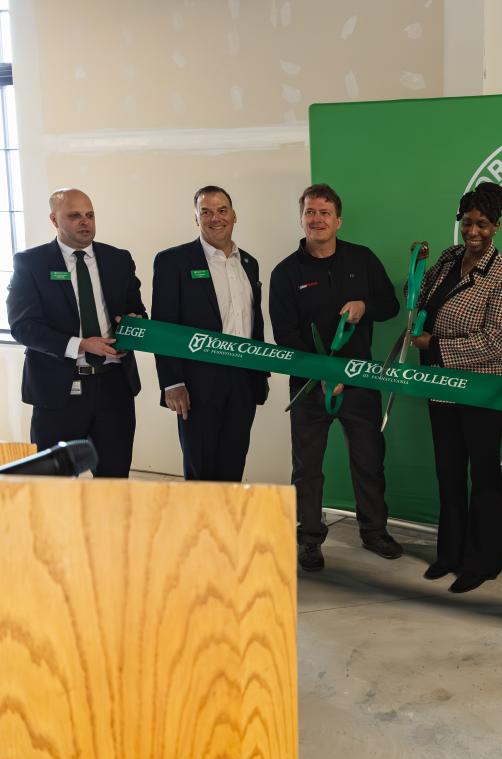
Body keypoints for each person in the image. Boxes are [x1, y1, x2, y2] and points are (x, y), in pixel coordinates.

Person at [270, 183, 402, 572]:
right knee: (307, 467)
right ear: (302, 218)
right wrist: (324, 375)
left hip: (360, 380)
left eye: (324, 213)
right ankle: (309, 538)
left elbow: (390, 306)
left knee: (368, 459)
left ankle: (374, 531)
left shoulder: (361, 259)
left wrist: (366, 304)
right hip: (308, 386)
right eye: (310, 212)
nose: (317, 219)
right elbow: (286, 337)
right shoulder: (285, 273)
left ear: (338, 220)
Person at [410, 182, 502, 593]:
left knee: (484, 476)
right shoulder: (447, 258)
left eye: (483, 224)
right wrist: (415, 272)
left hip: (482, 391)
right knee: (449, 471)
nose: (473, 231)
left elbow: (494, 342)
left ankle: (484, 560)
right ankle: (449, 554)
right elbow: (420, 300)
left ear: (497, 226)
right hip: (440, 386)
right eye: (467, 222)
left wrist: (434, 345)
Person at [6, 188, 146, 477]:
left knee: (115, 479)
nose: (85, 222)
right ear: (54, 219)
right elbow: (23, 326)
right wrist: (80, 345)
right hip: (58, 391)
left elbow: (137, 311)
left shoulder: (118, 259)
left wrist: (132, 326)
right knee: (51, 485)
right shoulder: (31, 263)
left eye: (90, 215)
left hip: (114, 387)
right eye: (75, 216)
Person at [151, 186, 270, 481]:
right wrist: (172, 382)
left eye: (221, 210)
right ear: (196, 219)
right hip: (196, 384)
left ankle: (226, 527)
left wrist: (261, 374)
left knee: (233, 464)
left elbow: (254, 321)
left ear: (234, 215)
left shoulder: (249, 263)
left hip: (243, 380)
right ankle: (199, 527)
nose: (215, 218)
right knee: (201, 468)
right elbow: (163, 325)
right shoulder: (173, 262)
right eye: (205, 212)